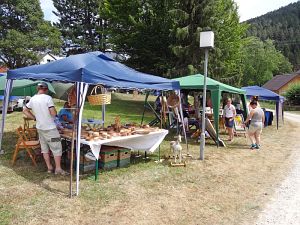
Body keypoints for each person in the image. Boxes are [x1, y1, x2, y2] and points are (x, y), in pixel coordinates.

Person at [23, 82, 67, 175]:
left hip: (40, 128)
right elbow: (53, 113)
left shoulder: (33, 99)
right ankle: (58, 169)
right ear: (46, 89)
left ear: (37, 89)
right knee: (56, 147)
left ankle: (49, 168)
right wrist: (55, 112)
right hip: (50, 129)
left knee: (44, 149)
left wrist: (34, 117)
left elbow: (25, 110)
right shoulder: (48, 98)